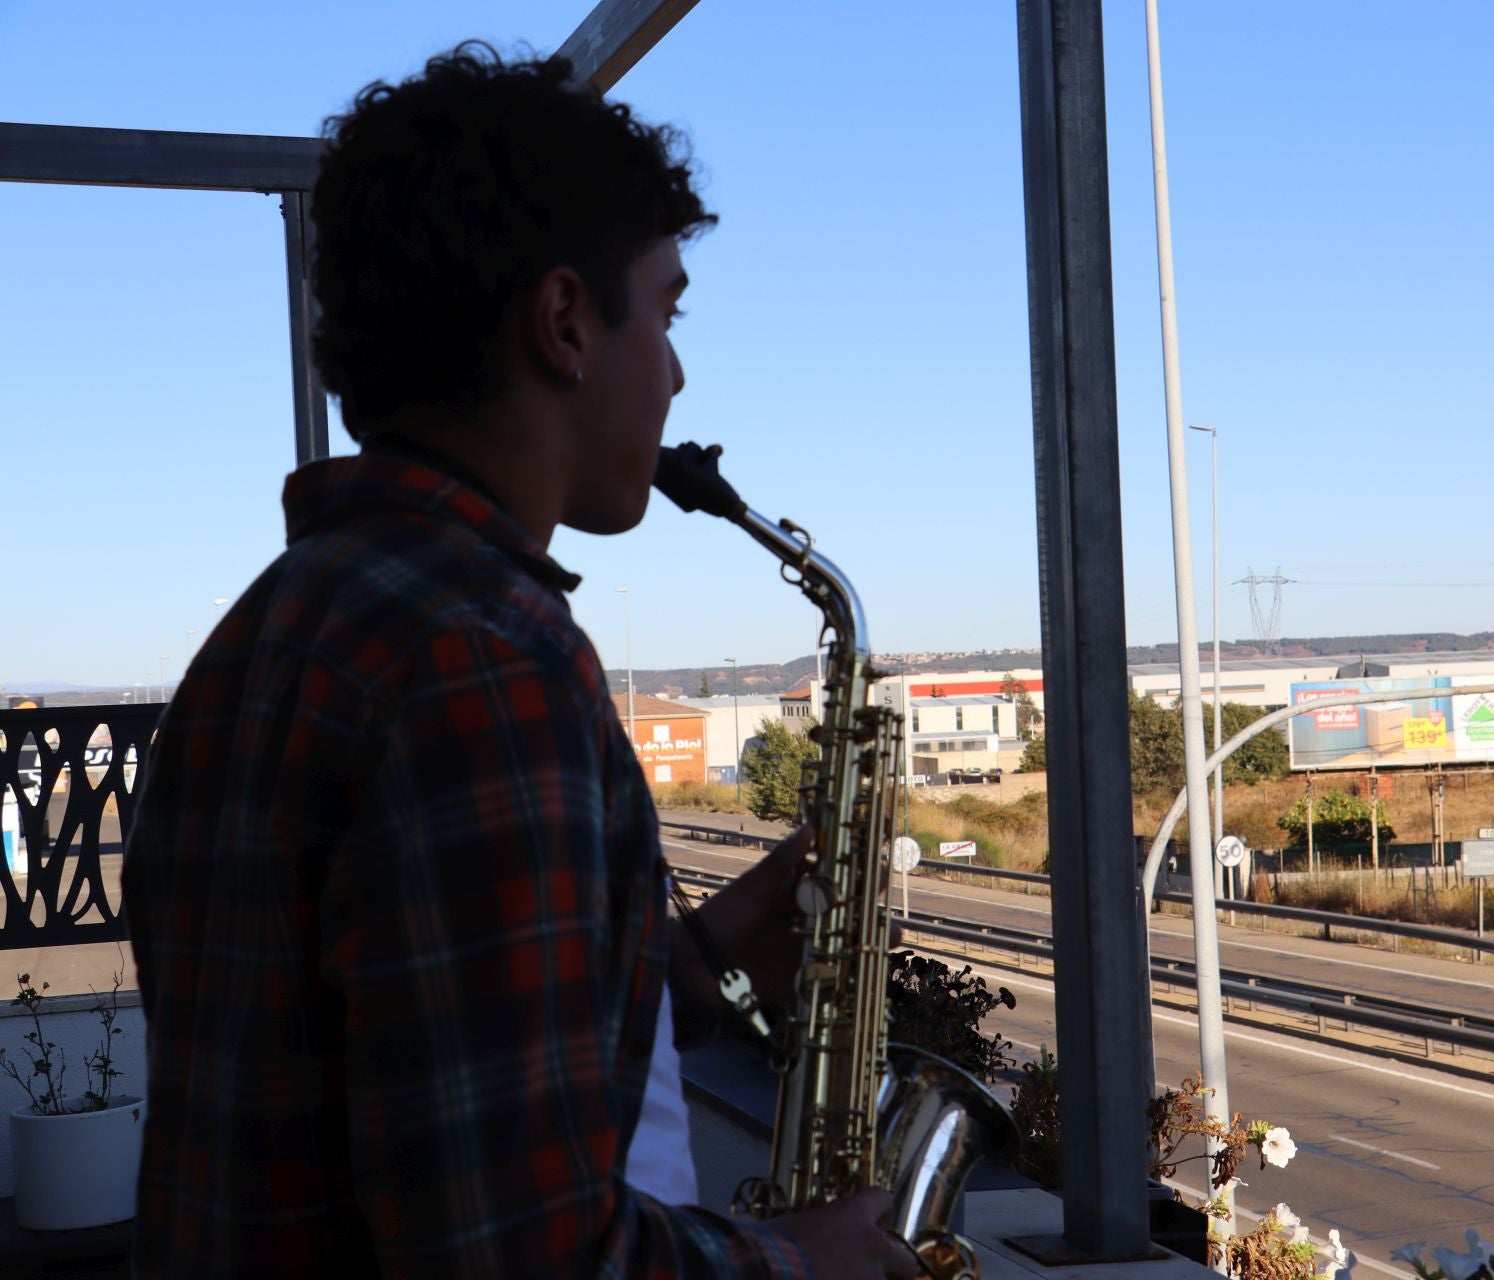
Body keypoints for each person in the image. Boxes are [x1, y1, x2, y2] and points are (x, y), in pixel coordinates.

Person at [122, 45, 917, 1279]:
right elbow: (514, 1256)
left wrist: (690, 962)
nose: (677, 368)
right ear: (563, 324)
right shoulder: (484, 665)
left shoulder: (264, 634)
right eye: (664, 311)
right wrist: (795, 1257)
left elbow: (394, 1063)